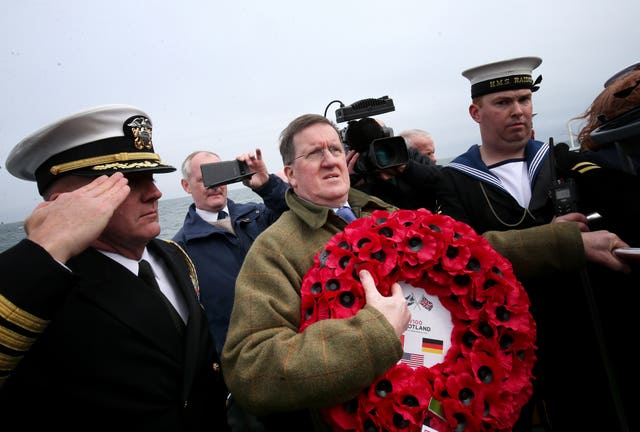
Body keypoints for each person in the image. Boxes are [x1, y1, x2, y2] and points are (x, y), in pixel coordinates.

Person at [220, 113, 629, 431]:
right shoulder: (275, 249)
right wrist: (374, 332)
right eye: (313, 153)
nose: (329, 160)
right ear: (289, 174)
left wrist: (568, 243)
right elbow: (251, 370)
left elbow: (475, 254)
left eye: (334, 148)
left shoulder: (387, 214)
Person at [0, 105, 230, 431]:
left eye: (150, 176)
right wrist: (44, 249)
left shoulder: (173, 256)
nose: (154, 192)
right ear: (66, 200)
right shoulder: (38, 288)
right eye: (129, 181)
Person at [437, 56, 632, 431]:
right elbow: (462, 255)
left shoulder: (562, 161)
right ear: (475, 112)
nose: (518, 111)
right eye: (503, 102)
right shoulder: (454, 179)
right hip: (504, 344)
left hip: (582, 334)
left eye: (524, 99)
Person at [173, 149, 288, 431]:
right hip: (244, 378)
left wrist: (267, 185)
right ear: (186, 186)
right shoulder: (180, 251)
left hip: (292, 353)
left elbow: (301, 216)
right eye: (204, 179)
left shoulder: (259, 214)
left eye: (219, 174)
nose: (214, 185)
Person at [345, 117, 441, 211]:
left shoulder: (405, 155)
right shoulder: (355, 171)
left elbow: (443, 179)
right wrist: (348, 183)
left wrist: (406, 168)